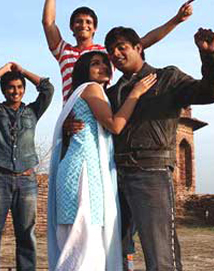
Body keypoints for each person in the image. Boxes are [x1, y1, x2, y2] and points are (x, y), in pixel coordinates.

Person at [104, 26, 214, 271]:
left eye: (121, 47)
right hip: (115, 174)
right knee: (114, 251)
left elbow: (212, 91)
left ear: (138, 47)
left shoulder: (167, 78)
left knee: (160, 255)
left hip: (150, 172)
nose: (115, 54)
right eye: (111, 51)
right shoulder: (114, 92)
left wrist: (210, 55)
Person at [47, 51, 156, 271]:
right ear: (84, 70)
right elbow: (115, 125)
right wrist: (136, 93)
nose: (103, 67)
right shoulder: (92, 88)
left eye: (106, 63)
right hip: (84, 171)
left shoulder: (82, 93)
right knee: (85, 241)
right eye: (95, 64)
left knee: (76, 240)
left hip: (78, 169)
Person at [42, 0, 195, 103]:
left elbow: (146, 41)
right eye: (78, 22)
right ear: (71, 27)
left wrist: (176, 20)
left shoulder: (106, 53)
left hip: (102, 109)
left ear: (95, 28)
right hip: (72, 112)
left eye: (88, 22)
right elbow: (48, 23)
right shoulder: (64, 51)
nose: (83, 25)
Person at [0, 62, 54, 271]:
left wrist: (23, 72)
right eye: (11, 87)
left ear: (24, 89)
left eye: (19, 87)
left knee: (27, 234)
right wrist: (4, 70)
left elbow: (47, 89)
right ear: (3, 90)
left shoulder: (32, 112)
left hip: (27, 180)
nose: (15, 91)